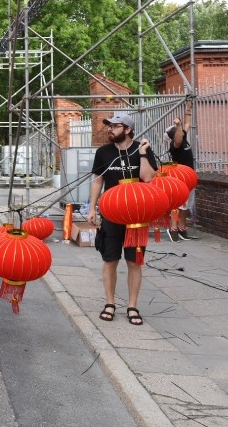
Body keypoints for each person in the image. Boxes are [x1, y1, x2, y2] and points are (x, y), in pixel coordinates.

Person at [87, 112, 157, 327]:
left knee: (134, 262)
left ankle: (132, 305)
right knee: (110, 260)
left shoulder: (142, 149)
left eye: (115, 126)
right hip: (110, 214)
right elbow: (97, 181)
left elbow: (148, 178)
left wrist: (144, 154)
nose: (109, 129)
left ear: (127, 129)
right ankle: (110, 303)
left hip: (136, 216)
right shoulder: (103, 152)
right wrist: (92, 208)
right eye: (108, 126)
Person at [166, 103, 196, 241]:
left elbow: (188, 123)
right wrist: (178, 125)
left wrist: (188, 109)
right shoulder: (175, 145)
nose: (182, 132)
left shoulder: (184, 139)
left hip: (189, 178)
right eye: (178, 131)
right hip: (179, 179)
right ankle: (173, 228)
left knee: (185, 206)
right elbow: (178, 138)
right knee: (178, 205)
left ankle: (182, 228)